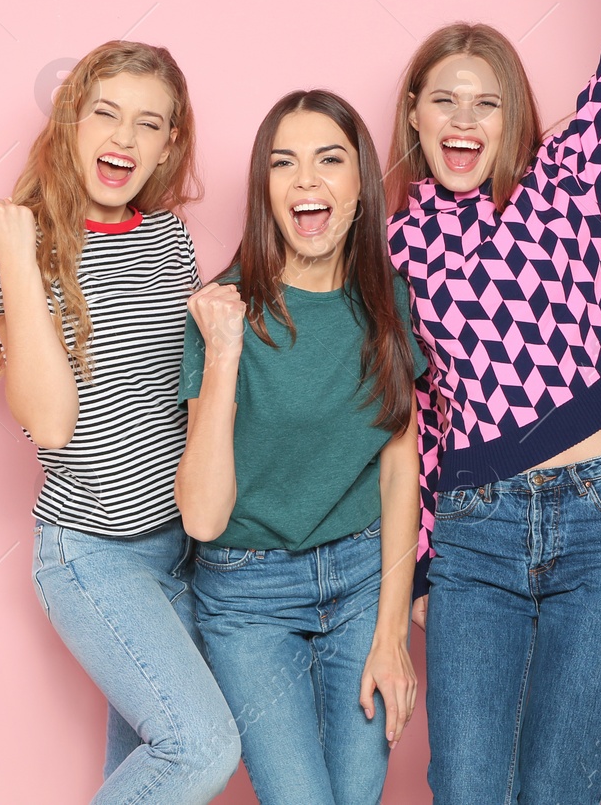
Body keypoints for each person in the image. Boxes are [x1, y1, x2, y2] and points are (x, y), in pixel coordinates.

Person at [384, 0, 601, 803]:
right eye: (444, 101)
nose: (464, 121)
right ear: (414, 117)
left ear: (513, 118)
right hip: (474, 536)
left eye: (486, 102)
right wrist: (419, 568)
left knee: (558, 785)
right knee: (465, 786)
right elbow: (413, 419)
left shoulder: (562, 184)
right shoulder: (388, 249)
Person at [0, 40, 239, 804]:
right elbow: (50, 423)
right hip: (92, 555)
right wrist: (18, 256)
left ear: (169, 144)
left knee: (151, 771)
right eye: (105, 113)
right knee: (198, 748)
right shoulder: (21, 256)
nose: (123, 138)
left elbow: (183, 399)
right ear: (70, 124)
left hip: (182, 552)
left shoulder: (169, 239)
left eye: (148, 124)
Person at [174, 90, 425, 805]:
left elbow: (399, 470)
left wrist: (391, 636)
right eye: (284, 162)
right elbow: (201, 517)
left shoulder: (386, 303)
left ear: (360, 185)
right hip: (248, 594)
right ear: (265, 190)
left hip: (360, 579)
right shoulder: (222, 308)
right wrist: (224, 355)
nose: (306, 179)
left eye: (329, 159)